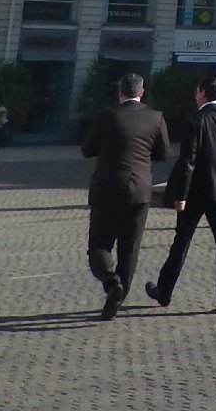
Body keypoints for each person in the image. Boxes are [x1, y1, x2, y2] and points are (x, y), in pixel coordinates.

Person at [146, 75, 216, 313]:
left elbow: (187, 160)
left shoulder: (196, 119)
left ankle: (164, 291)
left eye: (196, 90)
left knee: (181, 241)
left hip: (196, 192)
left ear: (202, 92)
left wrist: (180, 194)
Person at [80, 72, 172, 320]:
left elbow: (87, 149)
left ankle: (111, 282)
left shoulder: (106, 116)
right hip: (139, 190)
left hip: (107, 188)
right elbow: (163, 152)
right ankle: (119, 297)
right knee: (129, 249)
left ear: (120, 92)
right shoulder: (155, 117)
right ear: (142, 92)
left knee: (99, 245)